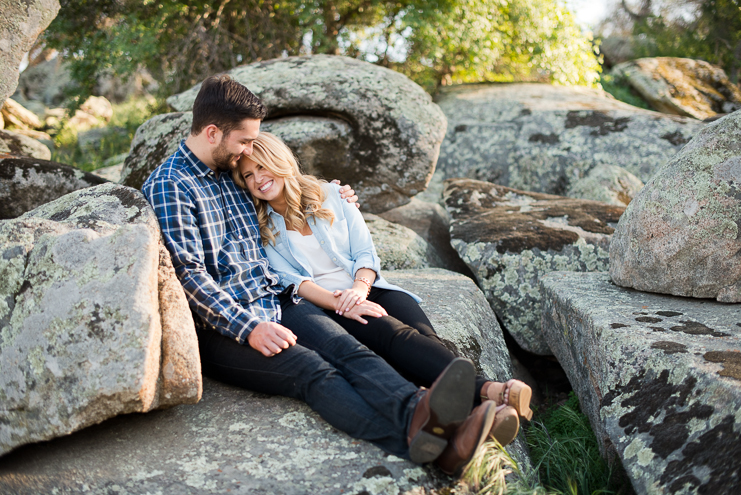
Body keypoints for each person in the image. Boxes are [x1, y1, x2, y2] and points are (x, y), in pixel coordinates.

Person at [142, 74, 503, 475]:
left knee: (350, 349)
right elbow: (188, 274)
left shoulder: (230, 171)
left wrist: (335, 193)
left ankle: (425, 415)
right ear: (212, 132)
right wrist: (249, 328)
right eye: (244, 141)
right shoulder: (171, 184)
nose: (249, 150)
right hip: (226, 328)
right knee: (313, 371)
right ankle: (430, 445)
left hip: (277, 298)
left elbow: (282, 189)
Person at [231, 132, 535, 444]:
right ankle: (492, 392)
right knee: (394, 335)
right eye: (248, 176)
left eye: (262, 167)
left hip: (370, 287)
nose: (258, 179)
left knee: (426, 340)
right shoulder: (261, 227)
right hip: (331, 305)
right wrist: (343, 302)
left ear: (278, 161)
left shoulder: (332, 194)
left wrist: (360, 290)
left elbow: (366, 253)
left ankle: (476, 416)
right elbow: (295, 282)